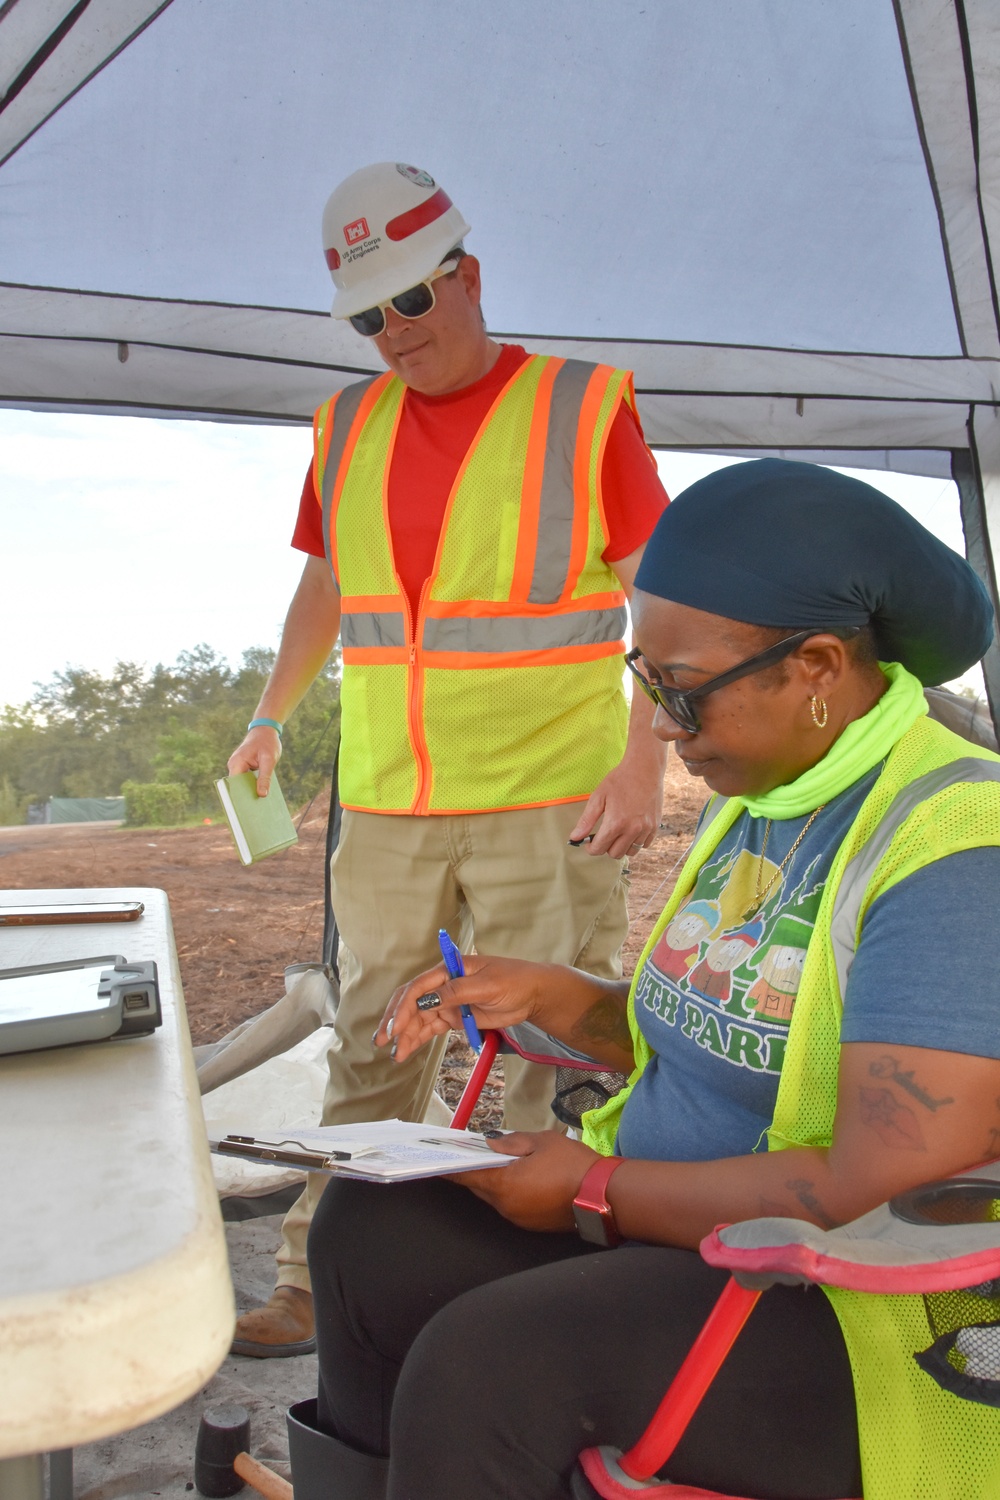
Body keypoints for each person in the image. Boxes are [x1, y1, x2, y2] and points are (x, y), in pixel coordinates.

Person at [292, 459, 1000, 1500]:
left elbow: (879, 1189)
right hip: (681, 1237)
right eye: (647, 679)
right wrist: (558, 997)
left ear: (812, 666)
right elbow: (732, 1037)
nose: (664, 725)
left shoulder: (953, 845)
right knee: (371, 1230)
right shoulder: (765, 789)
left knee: (491, 1365)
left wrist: (589, 1188)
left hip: (847, 1309)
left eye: (681, 690)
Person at [227, 161, 669, 1355]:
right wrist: (271, 713)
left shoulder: (582, 407)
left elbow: (664, 597)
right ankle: (324, 1288)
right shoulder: (345, 423)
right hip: (387, 797)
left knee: (535, 1055)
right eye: (368, 318)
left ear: (467, 275)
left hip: (546, 798)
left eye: (412, 303)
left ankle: (495, 1290)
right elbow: (325, 579)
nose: (394, 335)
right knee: (375, 1037)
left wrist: (646, 758)